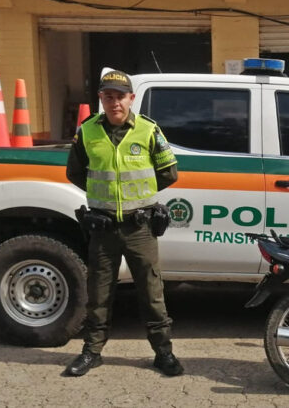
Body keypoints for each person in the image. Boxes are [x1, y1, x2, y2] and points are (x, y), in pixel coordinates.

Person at [64, 69, 182, 377]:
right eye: (108, 96)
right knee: (99, 294)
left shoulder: (147, 130)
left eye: (120, 96)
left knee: (151, 292)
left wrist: (139, 198)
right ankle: (91, 352)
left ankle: (163, 353)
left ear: (131, 98)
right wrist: (102, 197)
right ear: (101, 99)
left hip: (140, 228)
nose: (114, 102)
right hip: (103, 228)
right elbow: (75, 172)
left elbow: (169, 172)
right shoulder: (87, 131)